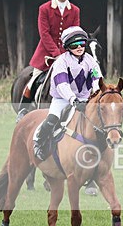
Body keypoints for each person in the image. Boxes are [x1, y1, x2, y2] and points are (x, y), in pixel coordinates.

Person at [33, 26, 103, 161]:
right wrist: (73, 100)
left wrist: (96, 95)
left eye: (82, 43)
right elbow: (62, 84)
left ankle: (101, 149)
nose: (79, 47)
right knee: (52, 118)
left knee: (99, 121)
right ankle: (38, 142)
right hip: (63, 99)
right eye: (74, 45)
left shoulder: (91, 61)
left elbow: (97, 79)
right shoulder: (61, 62)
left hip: (85, 99)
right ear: (67, 47)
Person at [18, 0, 81, 120]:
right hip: (46, 53)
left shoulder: (75, 10)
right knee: (34, 78)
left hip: (67, 53)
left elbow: (74, 33)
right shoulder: (44, 9)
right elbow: (44, 33)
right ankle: (23, 109)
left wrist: (66, 53)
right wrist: (56, 53)